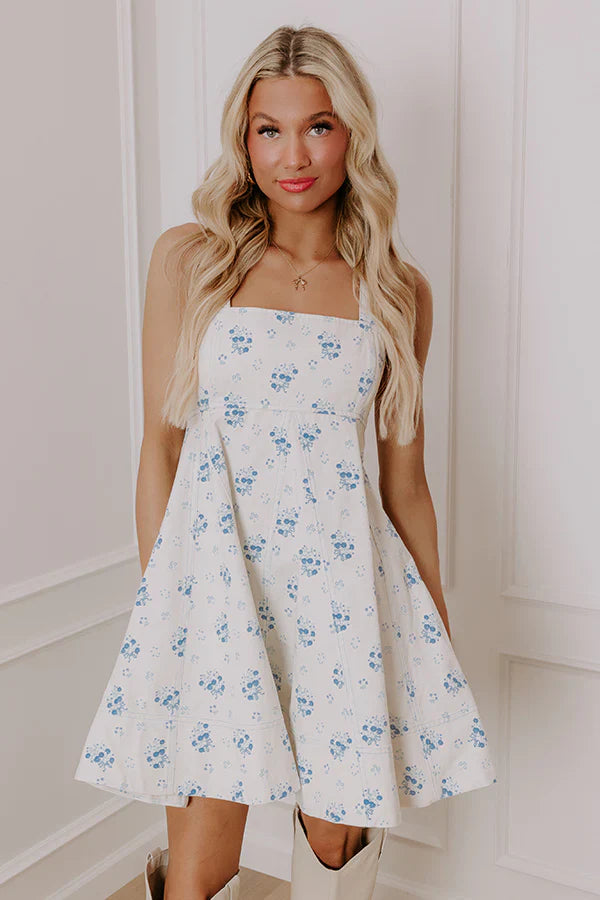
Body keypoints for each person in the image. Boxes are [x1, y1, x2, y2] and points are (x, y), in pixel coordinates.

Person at [74, 24, 497, 900]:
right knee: (202, 864)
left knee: (337, 841)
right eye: (270, 129)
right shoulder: (190, 259)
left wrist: (433, 634)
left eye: (318, 127)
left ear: (353, 136)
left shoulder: (396, 290)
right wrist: (167, 604)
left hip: (344, 592)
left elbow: (406, 482)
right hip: (215, 584)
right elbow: (160, 446)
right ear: (245, 136)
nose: (292, 156)